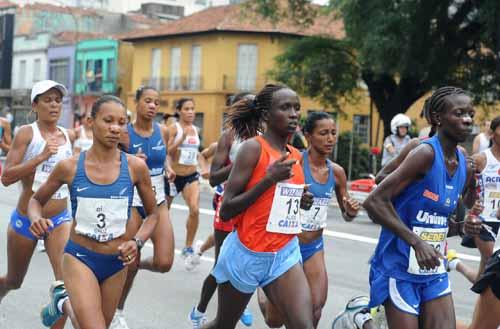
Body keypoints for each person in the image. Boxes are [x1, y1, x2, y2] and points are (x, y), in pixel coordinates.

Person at [27, 95, 159, 329]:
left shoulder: (135, 168)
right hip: (80, 257)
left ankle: (62, 301)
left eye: (121, 122)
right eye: (108, 120)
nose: (115, 128)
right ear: (90, 122)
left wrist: (137, 242)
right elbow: (36, 200)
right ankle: (65, 301)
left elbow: (153, 214)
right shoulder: (69, 166)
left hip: (117, 262)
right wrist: (36, 219)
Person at [202, 84, 314, 329]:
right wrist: (268, 179)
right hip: (247, 253)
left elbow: (280, 201)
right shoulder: (253, 149)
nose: (294, 114)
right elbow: (227, 208)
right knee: (223, 325)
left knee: (304, 325)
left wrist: (301, 201)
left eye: (296, 108)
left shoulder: (295, 153)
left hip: (284, 253)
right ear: (266, 115)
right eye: (285, 108)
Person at [363, 86, 476, 329]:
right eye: (459, 113)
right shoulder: (424, 152)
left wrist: (464, 227)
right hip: (399, 268)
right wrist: (416, 241)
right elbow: (373, 201)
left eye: (470, 114)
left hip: (433, 270)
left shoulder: (464, 164)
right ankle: (360, 321)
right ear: (438, 118)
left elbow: (445, 223)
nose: (467, 119)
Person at [257, 111, 360, 329]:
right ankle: (263, 286)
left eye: (333, 133)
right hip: (286, 246)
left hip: (314, 247)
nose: (330, 138)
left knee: (314, 309)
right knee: (274, 320)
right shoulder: (293, 163)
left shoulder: (338, 172)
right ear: (308, 136)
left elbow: (346, 214)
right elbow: (270, 199)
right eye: (323, 133)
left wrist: (351, 210)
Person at [0, 80, 76, 329]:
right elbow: (7, 177)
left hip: (59, 218)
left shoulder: (67, 136)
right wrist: (41, 156)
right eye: (47, 100)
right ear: (35, 105)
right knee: (13, 280)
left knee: (65, 287)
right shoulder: (26, 133)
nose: (54, 105)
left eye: (58, 100)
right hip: (26, 219)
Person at [189, 92, 255, 329]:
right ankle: (200, 310)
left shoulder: (265, 139)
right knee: (222, 265)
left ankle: (237, 307)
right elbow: (214, 176)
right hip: (228, 206)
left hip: (252, 207)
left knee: (246, 263)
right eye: (248, 104)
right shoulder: (229, 138)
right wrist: (241, 163)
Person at [112, 86, 175, 329]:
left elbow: (164, 156)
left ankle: (139, 264)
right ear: (136, 103)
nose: (152, 106)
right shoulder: (123, 133)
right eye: (147, 101)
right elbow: (109, 162)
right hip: (132, 201)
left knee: (164, 263)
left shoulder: (164, 131)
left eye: (157, 102)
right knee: (128, 259)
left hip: (157, 201)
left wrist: (168, 167)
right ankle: (118, 310)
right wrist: (129, 158)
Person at [454, 116, 500, 283]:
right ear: (492, 134)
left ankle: (455, 264)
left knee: (482, 278)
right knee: (493, 266)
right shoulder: (480, 159)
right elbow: (463, 192)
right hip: (483, 220)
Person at [166, 98, 209, 270]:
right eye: (187, 109)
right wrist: (180, 138)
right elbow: (167, 151)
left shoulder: (195, 130)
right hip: (173, 175)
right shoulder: (173, 128)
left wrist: (204, 168)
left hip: (190, 174)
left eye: (193, 108)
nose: (191, 112)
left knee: (195, 209)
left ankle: (188, 246)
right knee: (162, 214)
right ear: (179, 111)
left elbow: (197, 153)